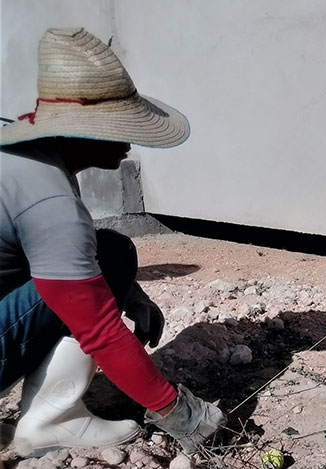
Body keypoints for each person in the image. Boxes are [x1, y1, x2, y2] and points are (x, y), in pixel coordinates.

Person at [0, 28, 225, 456]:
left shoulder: (22, 160)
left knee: (109, 253)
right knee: (110, 256)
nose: (129, 143)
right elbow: (99, 329)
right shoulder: (48, 199)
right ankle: (51, 422)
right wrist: (179, 413)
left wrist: (130, 292)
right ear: (80, 131)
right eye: (118, 128)